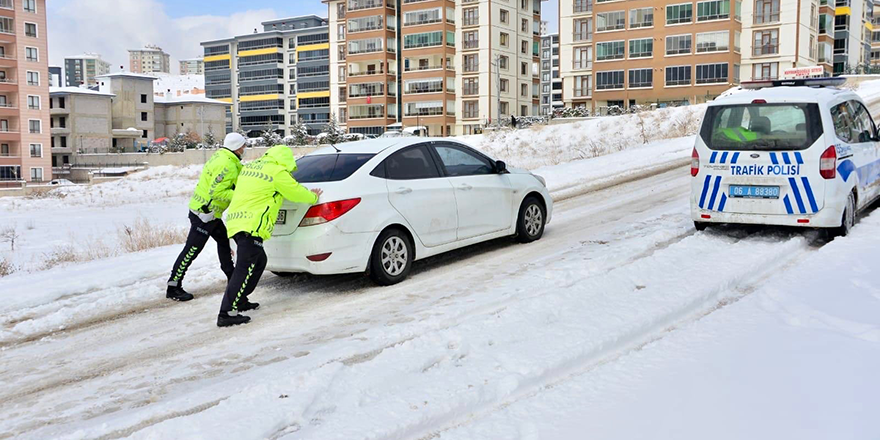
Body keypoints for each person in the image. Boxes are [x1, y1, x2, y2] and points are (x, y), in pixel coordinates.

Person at [217, 145, 323, 327]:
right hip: (251, 226)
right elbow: (296, 192)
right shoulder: (277, 172)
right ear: (285, 160)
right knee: (244, 268)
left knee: (259, 261)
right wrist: (313, 197)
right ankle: (226, 312)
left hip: (236, 222)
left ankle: (240, 300)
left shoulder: (251, 167)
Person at [166, 133, 247, 302]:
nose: (244, 149)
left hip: (210, 213)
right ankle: (173, 286)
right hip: (204, 214)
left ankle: (232, 278)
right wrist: (240, 195)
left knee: (224, 242)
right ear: (237, 147)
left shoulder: (222, 156)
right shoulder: (227, 164)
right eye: (243, 146)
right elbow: (216, 191)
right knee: (191, 251)